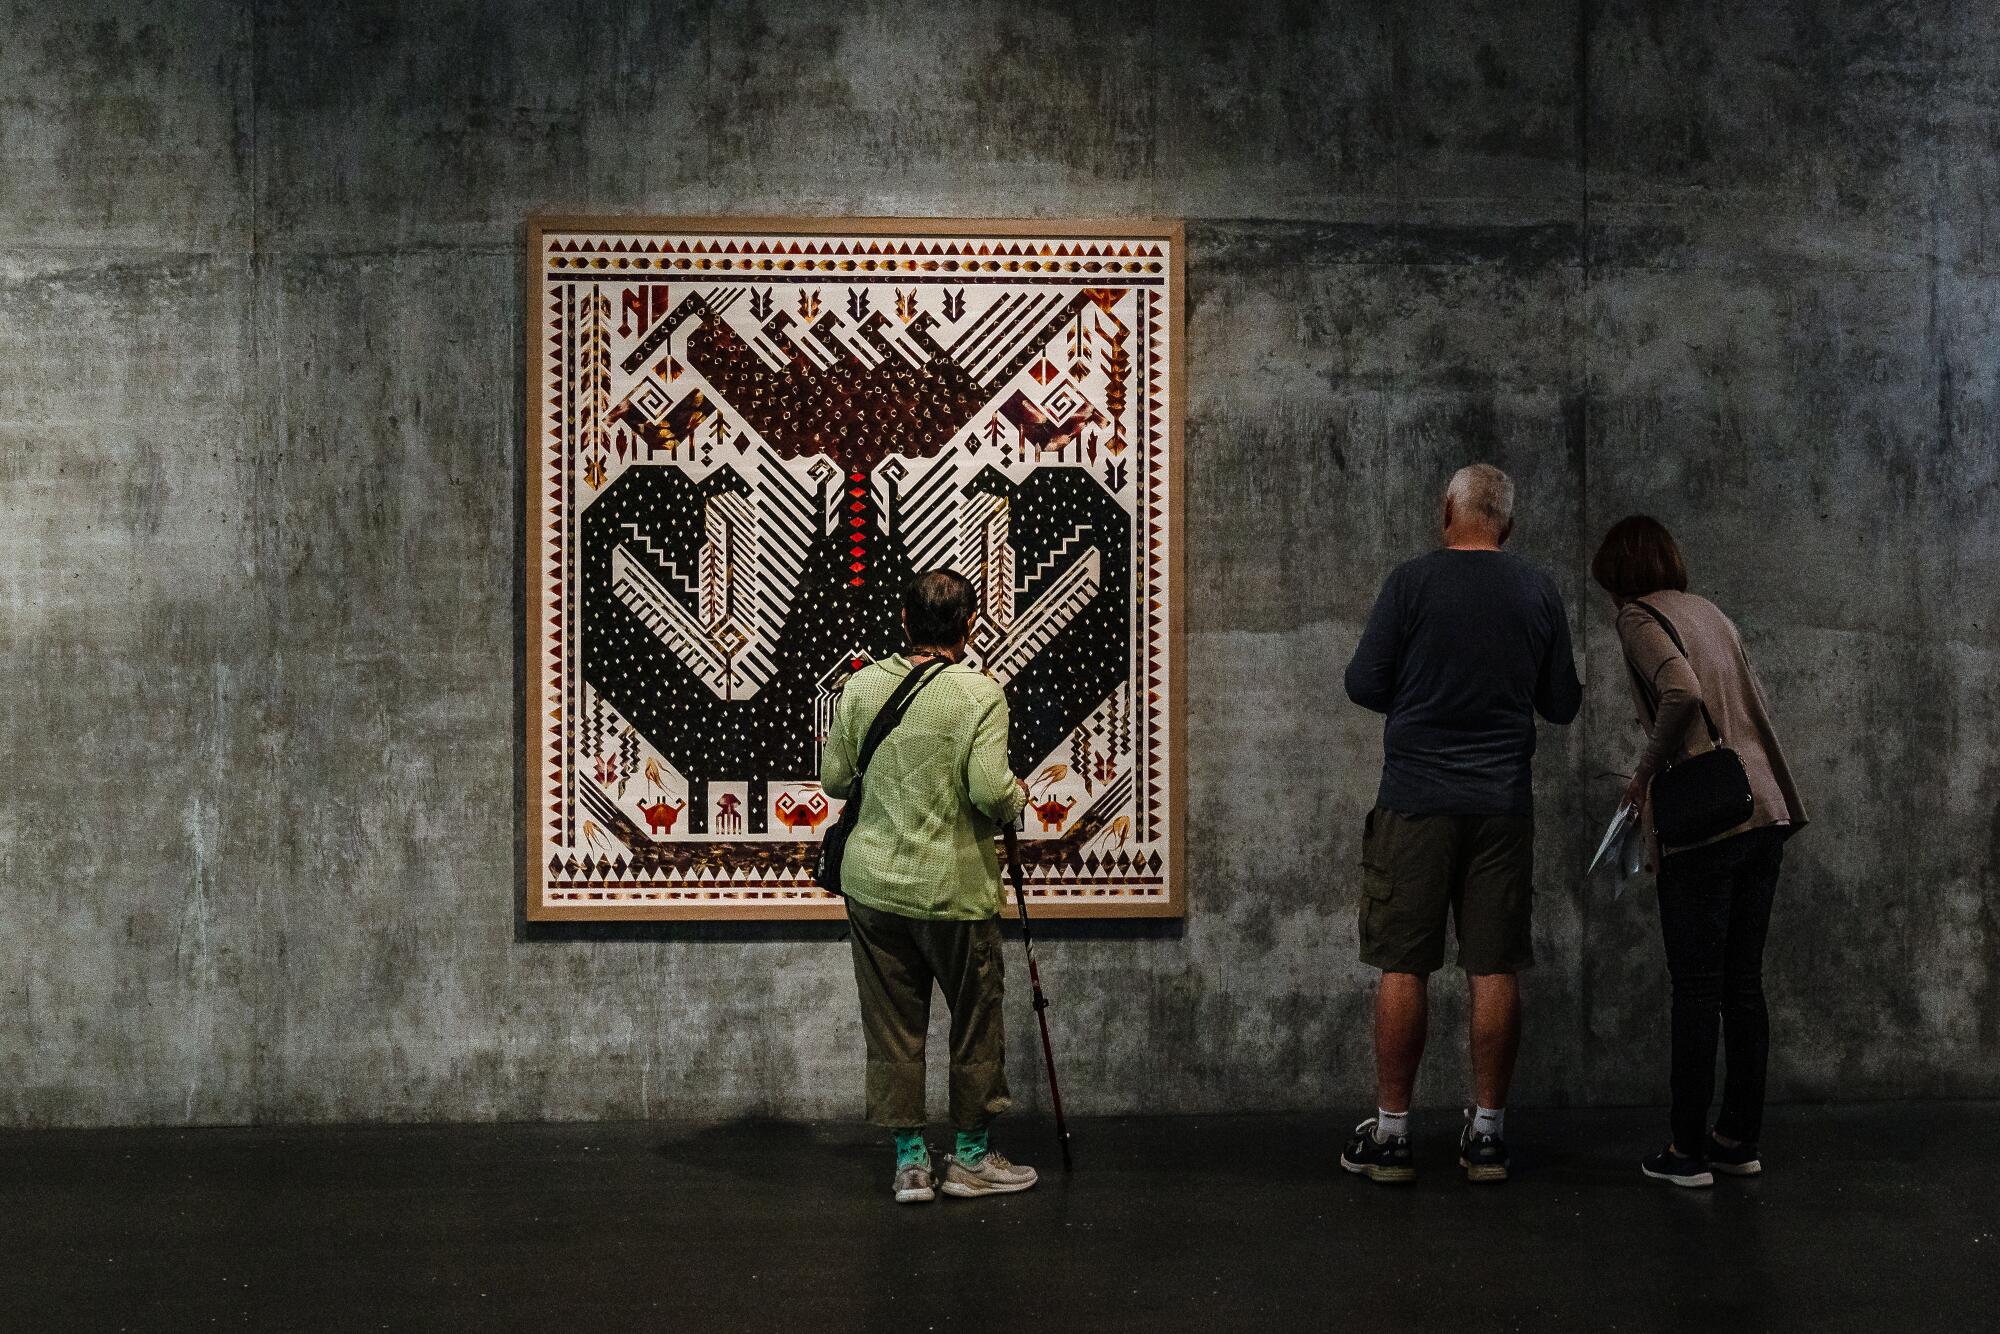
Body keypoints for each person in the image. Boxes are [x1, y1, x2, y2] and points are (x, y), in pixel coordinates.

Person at [1339, 464, 1582, 1184]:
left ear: (1448, 509)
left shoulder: (1410, 583)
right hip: (1502, 804)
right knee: (1493, 965)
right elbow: (1562, 704)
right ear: (1508, 523)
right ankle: (1487, 1139)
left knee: (1404, 963)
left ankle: (1392, 1137)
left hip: (1415, 800)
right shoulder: (1537, 589)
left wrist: (1422, 694)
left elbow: (1363, 683)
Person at [1592, 515, 1807, 1188]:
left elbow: (1681, 690)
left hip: (1710, 820)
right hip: (1763, 808)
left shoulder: (1637, 617)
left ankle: (1686, 1151)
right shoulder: (1708, 611)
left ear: (1619, 575)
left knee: (1696, 987)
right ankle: (1736, 1140)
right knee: (1742, 984)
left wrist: (1644, 774)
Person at [821, 570, 1036, 1205]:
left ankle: (911, 1164)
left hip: (873, 890)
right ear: (969, 624)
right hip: (954, 891)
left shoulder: (862, 688)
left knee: (892, 1024)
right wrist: (1018, 796)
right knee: (974, 1022)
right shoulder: (979, 694)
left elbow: (835, 780)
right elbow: (989, 791)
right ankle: (969, 1158)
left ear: (905, 621)